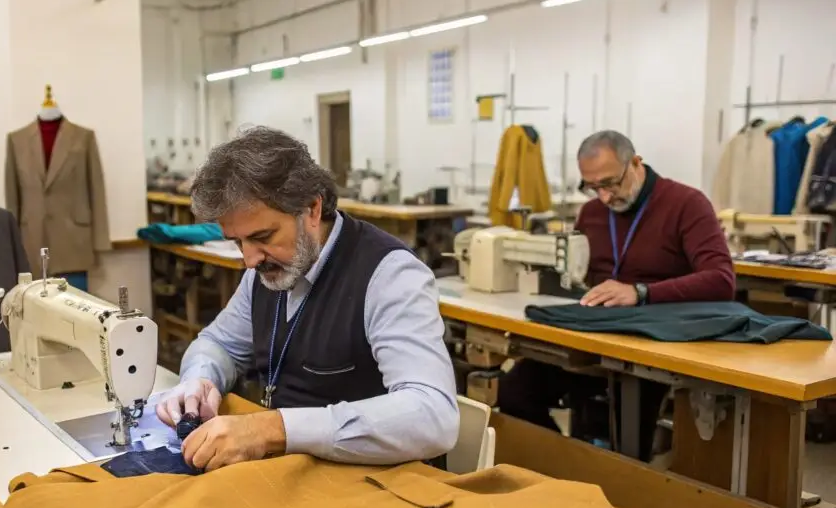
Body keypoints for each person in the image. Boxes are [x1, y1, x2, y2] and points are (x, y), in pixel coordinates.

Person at [155, 126, 459, 471]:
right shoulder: (264, 272)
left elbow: (433, 416)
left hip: (379, 481)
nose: (250, 259)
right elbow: (219, 343)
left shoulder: (390, 275)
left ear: (312, 209)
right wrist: (200, 380)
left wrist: (274, 429)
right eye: (238, 242)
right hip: (297, 472)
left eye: (263, 236)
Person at [497, 130, 736, 460]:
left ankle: (624, 485)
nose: (605, 197)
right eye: (592, 187)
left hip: (652, 346)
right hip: (595, 337)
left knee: (626, 430)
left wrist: (641, 293)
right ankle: (571, 469)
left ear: (636, 163)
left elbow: (722, 280)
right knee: (513, 393)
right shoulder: (592, 213)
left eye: (610, 183)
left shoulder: (686, 204)